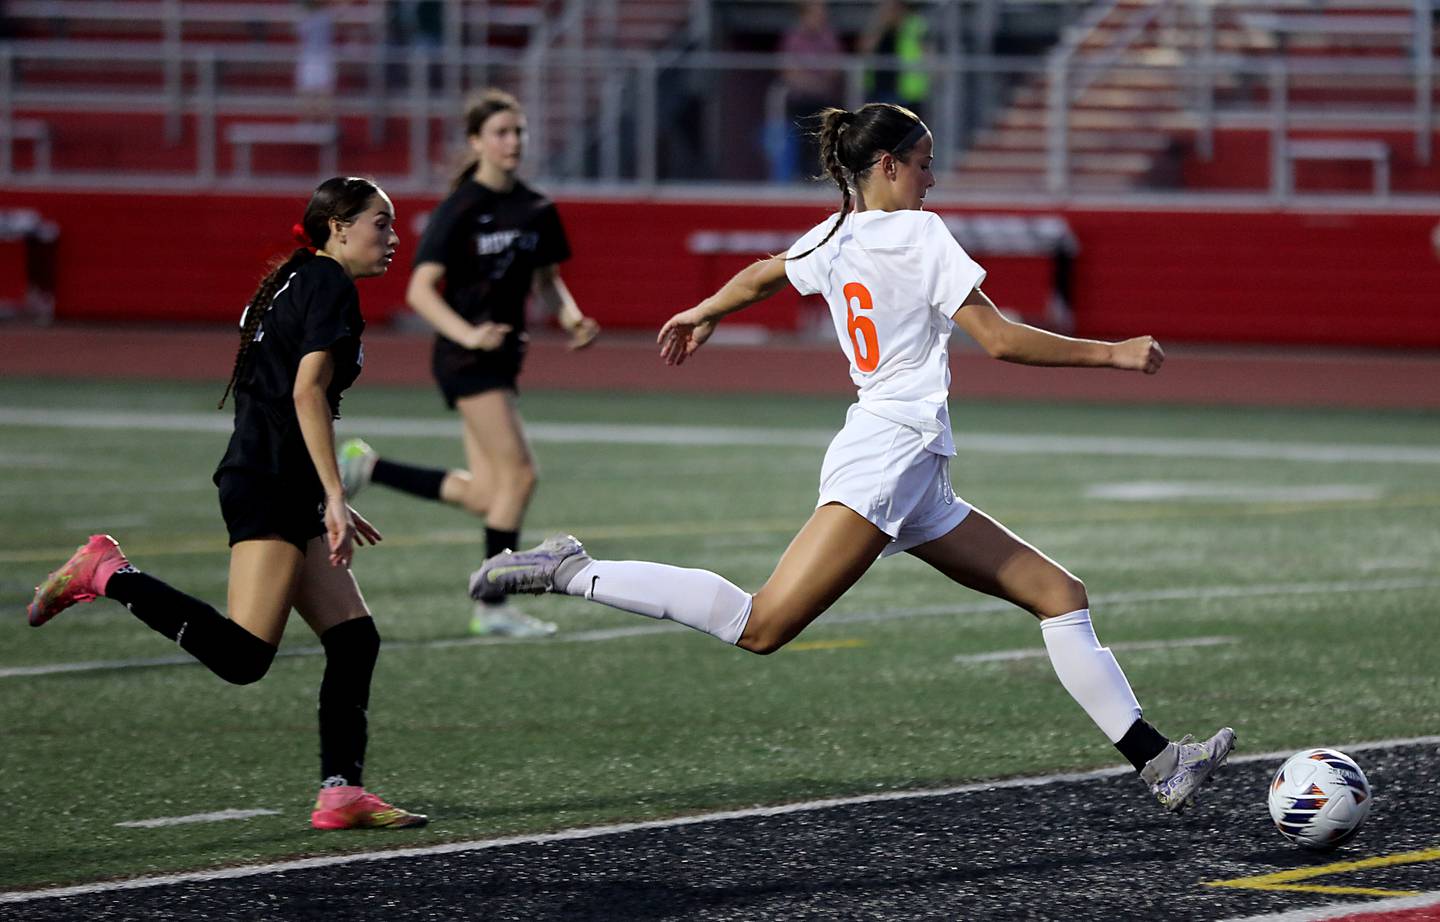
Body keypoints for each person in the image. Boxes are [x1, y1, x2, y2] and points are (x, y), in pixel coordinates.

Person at [472, 103, 1236, 813]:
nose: (934, 177)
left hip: (910, 463)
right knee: (761, 624)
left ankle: (1161, 763)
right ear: (890, 166)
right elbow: (1000, 339)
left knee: (1059, 594)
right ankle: (571, 569)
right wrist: (1114, 353)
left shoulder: (836, 234)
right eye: (926, 161)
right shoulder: (920, 232)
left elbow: (765, 271)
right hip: (888, 455)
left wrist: (705, 310)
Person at [27, 177, 426, 831]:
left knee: (354, 639)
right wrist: (331, 493)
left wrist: (321, 492)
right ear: (338, 228)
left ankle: (340, 792)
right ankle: (105, 572)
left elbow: (280, 399)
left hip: (276, 476)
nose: (393, 237)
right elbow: (306, 395)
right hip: (270, 482)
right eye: (381, 223)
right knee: (244, 657)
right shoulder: (329, 284)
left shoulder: (297, 278)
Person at [338, 89, 599, 638]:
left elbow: (547, 281)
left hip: (504, 359)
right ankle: (494, 602)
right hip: (464, 358)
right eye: (501, 132)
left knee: (488, 493)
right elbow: (419, 290)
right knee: (521, 476)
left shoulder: (536, 207)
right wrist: (470, 334)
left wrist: (572, 317)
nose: (512, 142)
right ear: (476, 140)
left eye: (519, 132)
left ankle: (370, 467)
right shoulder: (459, 208)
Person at [777, 0, 846, 182]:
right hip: (799, 101)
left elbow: (834, 71)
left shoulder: (829, 38)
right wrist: (815, 82)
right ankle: (798, 177)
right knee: (800, 140)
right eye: (816, 13)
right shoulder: (794, 38)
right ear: (805, 16)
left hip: (824, 102)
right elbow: (789, 73)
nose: (820, 17)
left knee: (824, 142)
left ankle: (821, 178)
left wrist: (814, 82)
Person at [859, 0, 931, 121]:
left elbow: (928, 54)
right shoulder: (877, 25)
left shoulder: (915, 24)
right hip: (879, 91)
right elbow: (864, 50)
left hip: (909, 94)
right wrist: (881, 25)